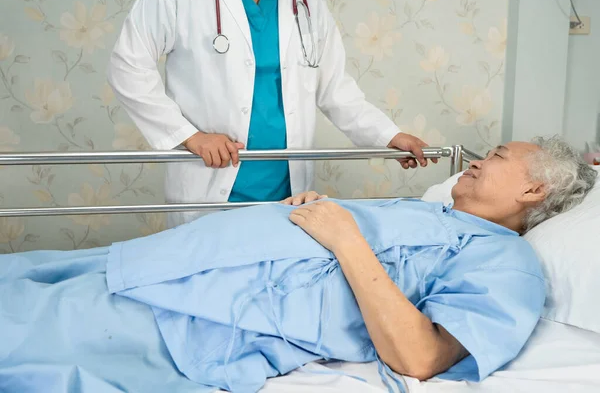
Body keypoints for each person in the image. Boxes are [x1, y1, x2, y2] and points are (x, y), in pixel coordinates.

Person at [0, 137, 596, 393]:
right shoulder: (432, 215)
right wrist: (319, 213)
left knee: (28, 327)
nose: (476, 160)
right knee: (21, 278)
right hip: (171, 262)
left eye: (496, 157)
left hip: (196, 313)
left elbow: (419, 356)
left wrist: (347, 239)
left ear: (533, 192)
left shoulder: (507, 264)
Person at [107, 0, 434, 228]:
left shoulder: (307, 1)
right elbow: (128, 66)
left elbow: (335, 88)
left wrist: (388, 135)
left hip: (287, 192)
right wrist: (189, 136)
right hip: (211, 185)